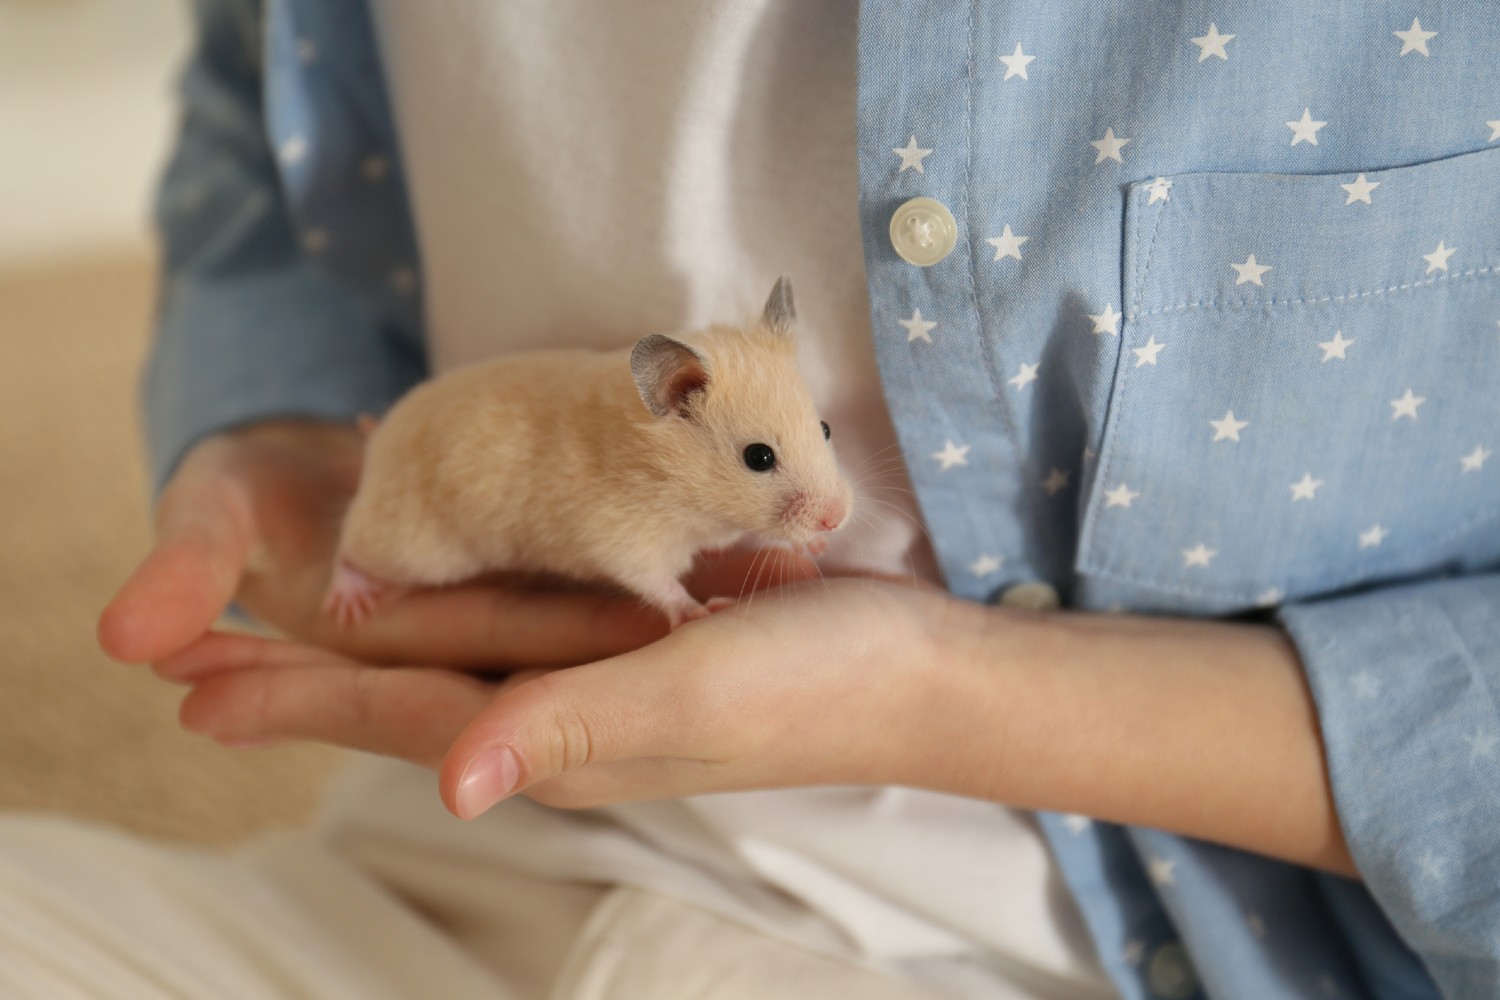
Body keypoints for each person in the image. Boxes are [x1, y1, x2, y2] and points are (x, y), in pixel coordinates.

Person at [6, 0, 1494, 997]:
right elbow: (260, 88)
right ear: (674, 405)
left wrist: (949, 700)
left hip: (1032, 953)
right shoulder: (654, 441)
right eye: (780, 465)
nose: (821, 500)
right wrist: (273, 404)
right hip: (421, 881)